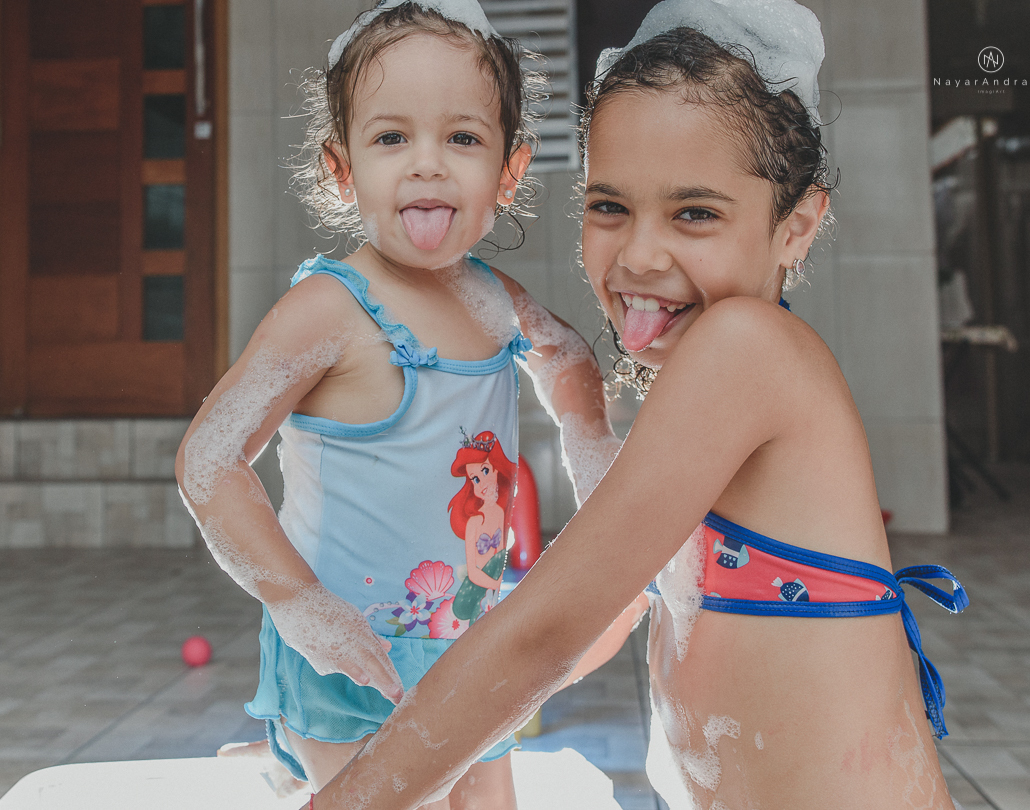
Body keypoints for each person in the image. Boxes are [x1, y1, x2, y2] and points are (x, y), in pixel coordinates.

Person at [306, 1, 968, 807]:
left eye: (695, 213)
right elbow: (609, 614)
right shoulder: (713, 371)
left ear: (796, 227)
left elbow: (548, 633)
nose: (640, 254)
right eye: (609, 206)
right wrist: (414, 743)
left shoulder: (748, 349)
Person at [174, 2, 641, 808]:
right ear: (342, 168)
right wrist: (301, 607)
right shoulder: (329, 310)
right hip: (351, 660)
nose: (427, 165)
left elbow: (567, 359)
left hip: (471, 654)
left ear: (509, 172)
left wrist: (590, 450)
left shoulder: (496, 302)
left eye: (462, 138)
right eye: (392, 138)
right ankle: (290, 749)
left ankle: (280, 756)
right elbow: (208, 463)